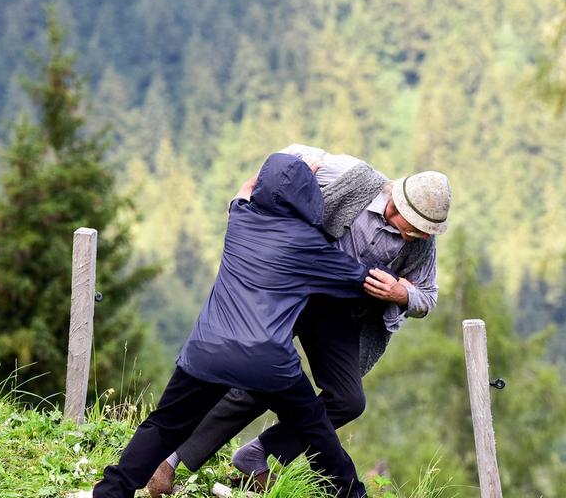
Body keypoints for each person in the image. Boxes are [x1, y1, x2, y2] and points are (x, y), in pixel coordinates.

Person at [147, 144, 451, 496]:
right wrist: (243, 198)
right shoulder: (356, 177)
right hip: (289, 288)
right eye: (418, 227)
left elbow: (427, 295)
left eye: (430, 231)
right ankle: (169, 458)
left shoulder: (421, 243)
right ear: (397, 203)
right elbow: (284, 165)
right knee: (256, 377)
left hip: (339, 315)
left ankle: (258, 454)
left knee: (348, 399)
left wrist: (401, 294)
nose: (425, 236)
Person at [92, 152, 371, 498]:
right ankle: (352, 494)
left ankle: (111, 491)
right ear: (309, 197)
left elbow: (247, 187)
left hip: (208, 352)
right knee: (315, 427)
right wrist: (404, 291)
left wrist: (284, 177)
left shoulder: (240, 218)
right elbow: (363, 280)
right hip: (267, 362)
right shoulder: (310, 246)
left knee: (164, 425)